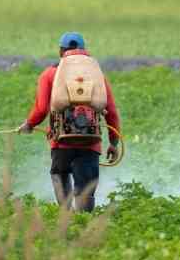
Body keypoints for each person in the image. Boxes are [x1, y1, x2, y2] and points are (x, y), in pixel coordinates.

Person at [18, 32, 121, 212]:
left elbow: (42, 109)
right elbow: (110, 111)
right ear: (84, 51)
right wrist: (113, 143)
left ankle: (66, 218)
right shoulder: (97, 76)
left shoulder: (49, 74)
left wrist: (29, 124)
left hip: (61, 142)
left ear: (61, 51)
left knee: (59, 174)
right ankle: (85, 224)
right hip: (90, 142)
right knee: (86, 190)